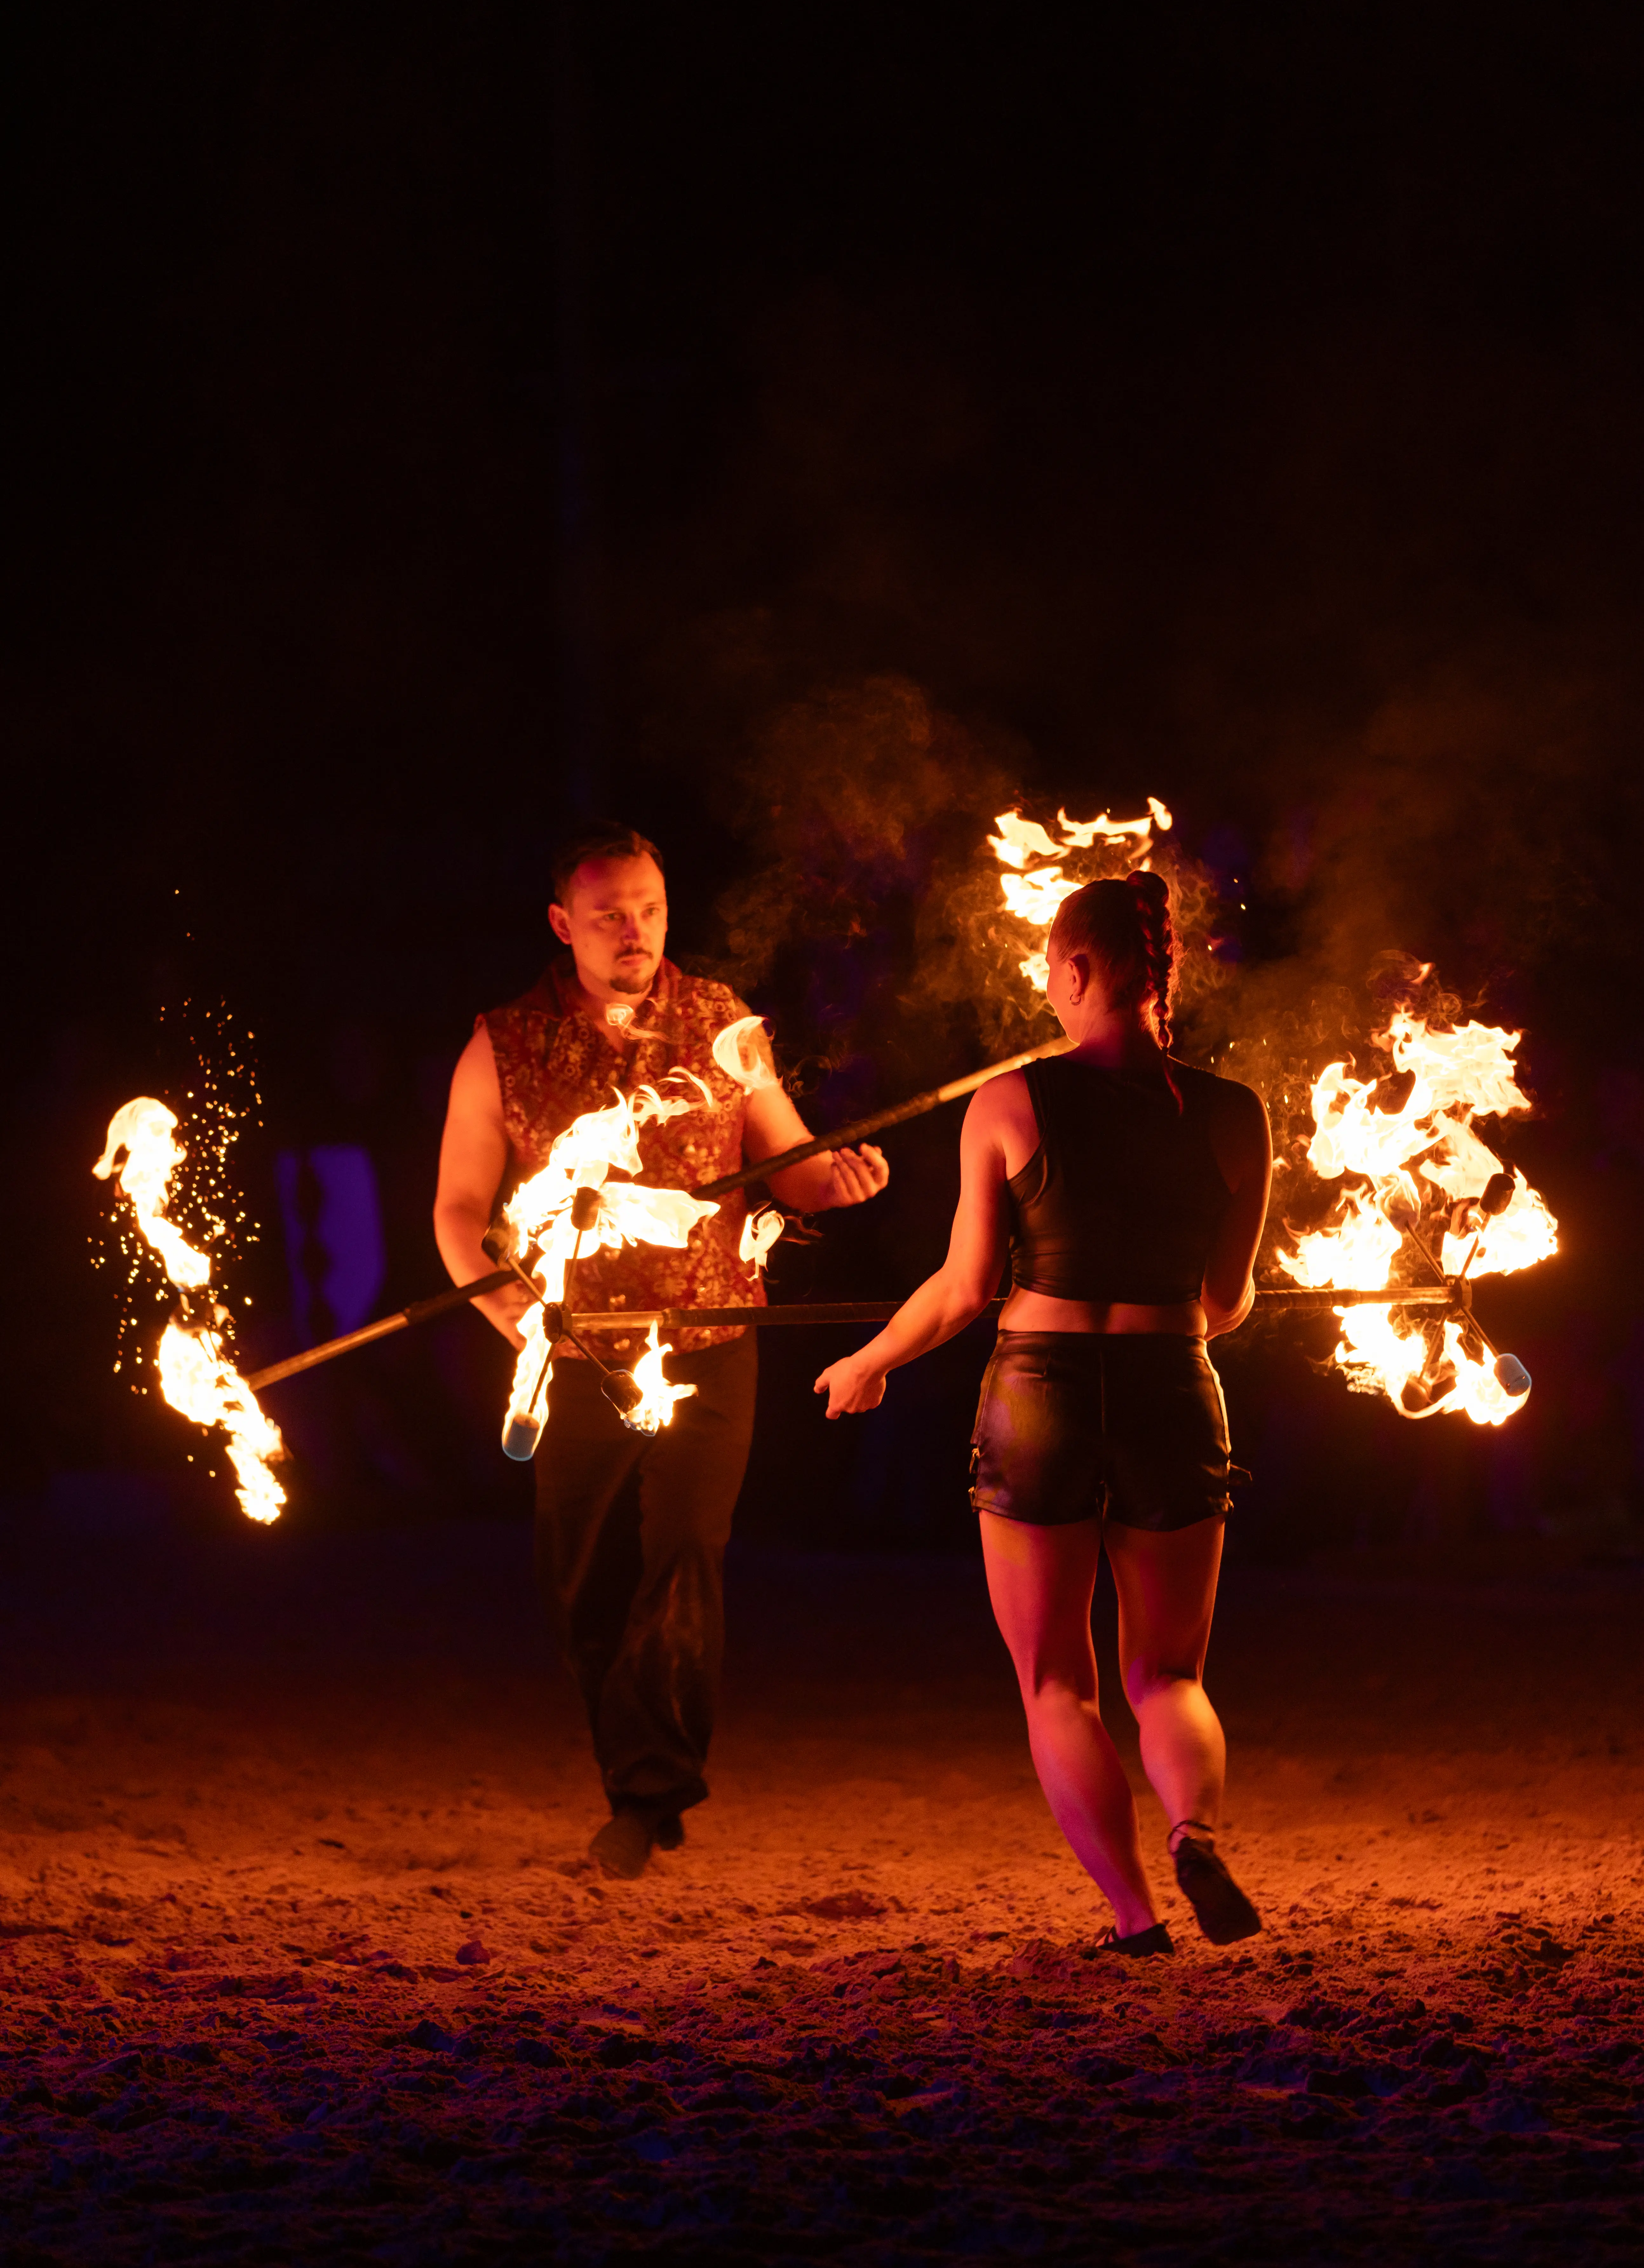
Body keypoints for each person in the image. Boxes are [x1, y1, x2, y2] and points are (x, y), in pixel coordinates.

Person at [814, 871, 1271, 1954]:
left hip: (1040, 1391)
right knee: (1168, 1674)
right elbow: (1227, 1303)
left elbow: (966, 1290)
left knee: (1056, 1678)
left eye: (1050, 975)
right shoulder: (1237, 1114)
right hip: (1172, 1384)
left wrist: (868, 1361)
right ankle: (1194, 1830)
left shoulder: (1010, 1103)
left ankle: (1134, 1919)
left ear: (1076, 970)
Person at [435, 821, 888, 1878]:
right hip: (577, 1350)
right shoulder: (502, 1042)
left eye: (648, 908)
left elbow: (792, 1170)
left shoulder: (722, 1021)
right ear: (563, 925)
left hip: (712, 1338)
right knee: (581, 1577)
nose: (633, 930)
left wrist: (842, 1179)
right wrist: (512, 1312)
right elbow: (460, 1212)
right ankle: (639, 1773)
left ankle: (645, 1794)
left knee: (686, 1547)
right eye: (608, 915)